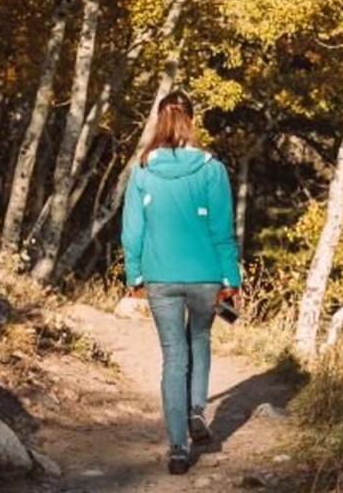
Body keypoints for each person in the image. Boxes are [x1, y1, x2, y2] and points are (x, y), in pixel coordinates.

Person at [121, 90, 242, 475]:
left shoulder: (142, 168)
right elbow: (222, 230)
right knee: (200, 341)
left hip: (161, 277)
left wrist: (134, 274)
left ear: (160, 119)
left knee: (174, 356)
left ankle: (177, 448)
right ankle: (195, 410)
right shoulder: (212, 169)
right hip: (206, 276)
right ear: (191, 119)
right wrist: (231, 278)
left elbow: (131, 231)